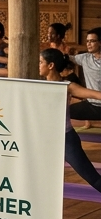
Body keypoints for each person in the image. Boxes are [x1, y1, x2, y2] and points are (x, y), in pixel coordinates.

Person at [40, 48, 101, 192]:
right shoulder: (38, 84)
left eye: (41, 62)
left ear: (51, 65)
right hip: (44, 140)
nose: (38, 65)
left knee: (93, 178)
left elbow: (97, 95)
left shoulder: (67, 86)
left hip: (65, 139)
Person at [68, 28, 101, 124]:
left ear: (100, 42)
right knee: (65, 111)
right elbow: (69, 59)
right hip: (91, 104)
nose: (88, 44)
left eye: (92, 41)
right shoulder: (84, 58)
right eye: (87, 41)